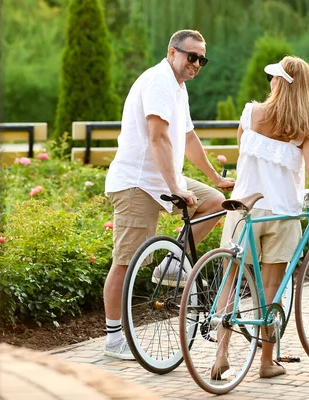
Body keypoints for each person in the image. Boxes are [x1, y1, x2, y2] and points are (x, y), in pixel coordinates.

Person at [213, 56, 309, 379]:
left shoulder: (251, 113)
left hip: (244, 209)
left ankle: (221, 354)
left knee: (230, 281)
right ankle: (265, 362)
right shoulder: (307, 127)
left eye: (274, 78)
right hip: (282, 212)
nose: (271, 82)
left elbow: (242, 159)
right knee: (272, 289)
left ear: (280, 83)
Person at [103, 29, 234, 360]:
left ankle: (174, 263)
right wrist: (176, 188)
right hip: (137, 183)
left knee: (216, 204)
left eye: (202, 59)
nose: (197, 64)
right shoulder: (160, 81)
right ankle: (114, 339)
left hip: (163, 180)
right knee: (126, 262)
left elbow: (188, 138)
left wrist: (215, 178)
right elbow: (158, 137)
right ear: (172, 52)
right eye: (192, 56)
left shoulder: (179, 88)